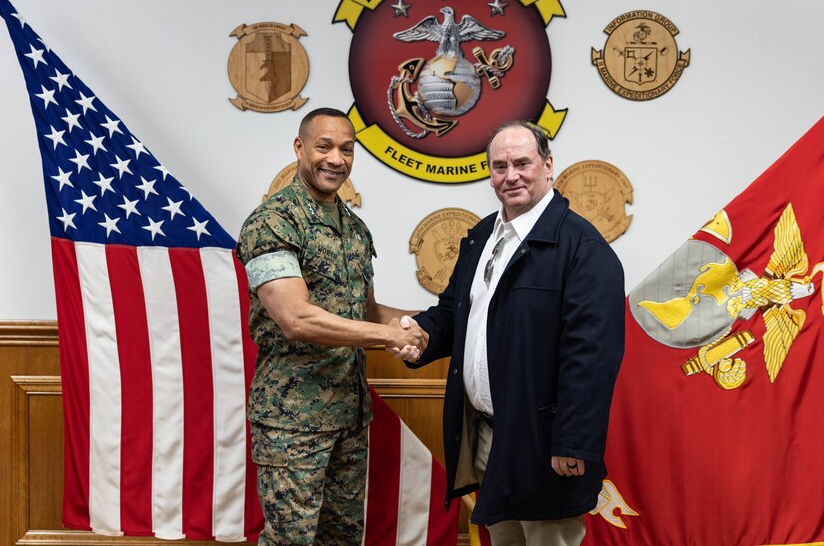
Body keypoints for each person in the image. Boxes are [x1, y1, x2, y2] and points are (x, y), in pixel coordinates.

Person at [407, 121, 625, 545]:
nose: (511, 176)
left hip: (545, 447)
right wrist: (418, 334)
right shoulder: (481, 237)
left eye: (522, 163)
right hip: (487, 436)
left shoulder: (583, 249)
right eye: (499, 166)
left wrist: (573, 443)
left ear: (547, 165)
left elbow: (591, 356)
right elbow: (456, 313)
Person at [237, 107, 427, 545]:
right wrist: (389, 336)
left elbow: (365, 310)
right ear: (300, 148)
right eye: (324, 146)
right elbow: (295, 318)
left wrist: (431, 325)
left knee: (341, 539)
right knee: (291, 541)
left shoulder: (353, 228)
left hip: (348, 417)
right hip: (292, 421)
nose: (336, 159)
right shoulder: (273, 221)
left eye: (347, 149)